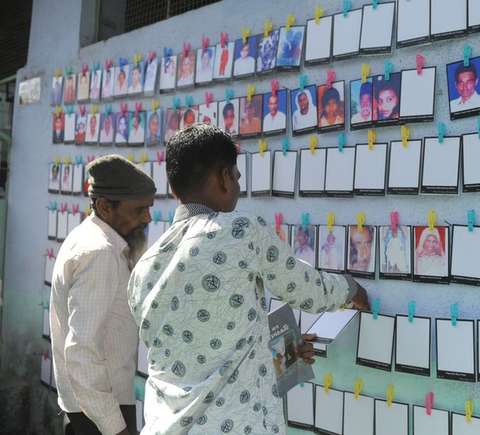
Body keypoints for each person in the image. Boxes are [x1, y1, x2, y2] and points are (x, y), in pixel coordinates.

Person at [128, 124, 369, 434]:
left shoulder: (144, 268)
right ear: (224, 177)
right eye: (237, 176)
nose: (239, 186)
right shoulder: (238, 230)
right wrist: (351, 289)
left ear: (174, 190)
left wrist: (284, 353)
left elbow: (197, 346)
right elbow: (307, 290)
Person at [50, 155, 155, 435]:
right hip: (100, 415)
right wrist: (115, 429)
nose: (148, 218)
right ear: (105, 207)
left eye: (149, 208)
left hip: (91, 409)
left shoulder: (90, 238)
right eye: (139, 210)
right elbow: (82, 351)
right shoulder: (100, 253)